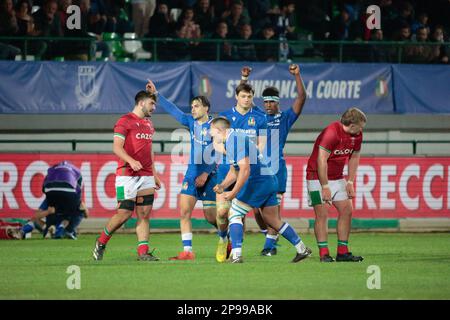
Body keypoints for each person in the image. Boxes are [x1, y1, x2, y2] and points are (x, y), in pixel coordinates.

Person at [210, 117, 312, 263]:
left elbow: (245, 170)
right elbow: (235, 171)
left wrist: (233, 193)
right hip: (268, 179)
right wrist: (223, 186)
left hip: (257, 182)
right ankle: (302, 249)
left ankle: (236, 255)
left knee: (234, 213)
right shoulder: (233, 138)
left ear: (220, 130)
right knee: (273, 220)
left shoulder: (234, 141)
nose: (210, 134)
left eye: (212, 131)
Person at [145, 79, 219, 261]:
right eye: (192, 106)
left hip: (210, 175)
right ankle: (187, 251)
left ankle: (228, 238)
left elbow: (219, 152)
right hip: (192, 173)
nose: (192, 109)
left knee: (211, 217)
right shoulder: (190, 121)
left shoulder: (216, 126)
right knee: (184, 212)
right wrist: (157, 94)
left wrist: (206, 172)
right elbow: (173, 110)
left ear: (206, 109)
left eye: (196, 106)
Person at [241, 64, 307, 256]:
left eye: (271, 101)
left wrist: (297, 75)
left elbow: (302, 98)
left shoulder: (285, 118)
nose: (268, 104)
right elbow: (242, 99)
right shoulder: (259, 116)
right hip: (257, 170)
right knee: (257, 211)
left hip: (276, 170)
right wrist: (244, 79)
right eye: (266, 101)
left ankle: (269, 246)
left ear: (277, 102)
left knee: (272, 211)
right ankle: (270, 235)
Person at [92, 90, 161, 261]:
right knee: (123, 213)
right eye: (151, 104)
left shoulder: (149, 125)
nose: (154, 107)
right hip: (126, 175)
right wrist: (130, 161)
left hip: (146, 175)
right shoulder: (125, 121)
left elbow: (149, 151)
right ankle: (101, 242)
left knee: (144, 214)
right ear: (141, 103)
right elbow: (117, 147)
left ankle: (143, 252)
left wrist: (154, 174)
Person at [215, 82, 267, 262]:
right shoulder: (226, 116)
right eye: (243, 96)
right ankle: (222, 238)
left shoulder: (260, 118)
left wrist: (246, 155)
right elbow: (217, 143)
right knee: (222, 212)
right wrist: (234, 154)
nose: (246, 99)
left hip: (247, 170)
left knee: (239, 213)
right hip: (228, 169)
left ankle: (236, 250)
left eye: (250, 96)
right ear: (236, 97)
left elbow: (261, 144)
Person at [306, 107, 366, 262]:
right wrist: (325, 186)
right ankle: (324, 253)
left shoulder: (357, 135)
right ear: (352, 125)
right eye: (360, 126)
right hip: (316, 178)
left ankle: (342, 252)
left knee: (347, 209)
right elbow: (321, 160)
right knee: (322, 213)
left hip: (338, 177)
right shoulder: (331, 133)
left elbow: (354, 158)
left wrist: (351, 181)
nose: (362, 129)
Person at [40, 161, 86, 239]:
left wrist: (50, 195)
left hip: (50, 190)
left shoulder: (52, 169)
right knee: (77, 211)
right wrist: (78, 203)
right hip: (69, 191)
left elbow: (44, 187)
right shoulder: (76, 171)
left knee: (53, 210)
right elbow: (78, 190)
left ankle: (50, 227)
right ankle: (68, 230)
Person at [21, 196, 89, 239]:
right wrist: (48, 212)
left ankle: (58, 232)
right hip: (51, 226)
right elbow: (36, 215)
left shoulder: (71, 199)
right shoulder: (49, 199)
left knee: (66, 220)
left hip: (63, 226)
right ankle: (21, 232)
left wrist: (84, 209)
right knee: (34, 220)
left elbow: (86, 215)